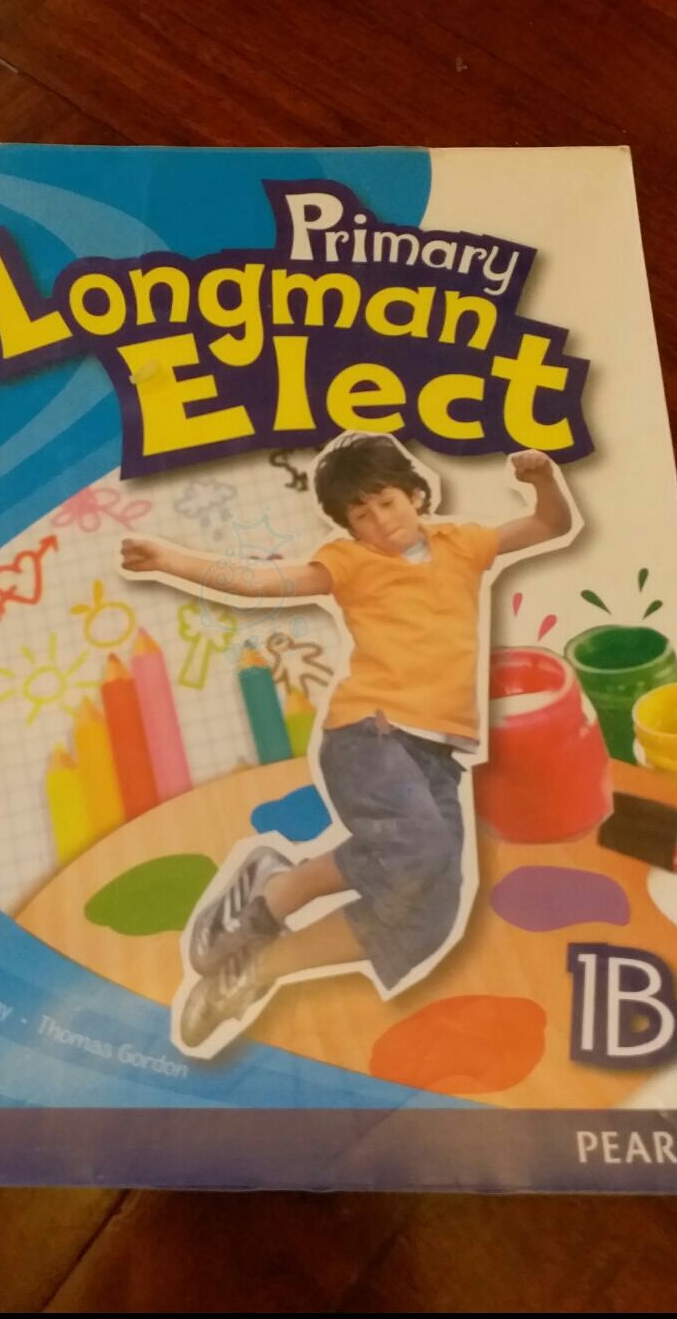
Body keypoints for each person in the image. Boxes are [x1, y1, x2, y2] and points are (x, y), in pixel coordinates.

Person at [121, 434, 575, 1054]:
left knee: (431, 912)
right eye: (361, 515)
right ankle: (274, 896)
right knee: (418, 850)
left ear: (416, 495)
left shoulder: (463, 544)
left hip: (439, 754)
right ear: (347, 526)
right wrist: (172, 560)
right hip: (371, 734)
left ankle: (259, 959)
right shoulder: (350, 563)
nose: (380, 523)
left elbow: (551, 523)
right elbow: (261, 582)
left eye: (386, 503)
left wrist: (543, 478)